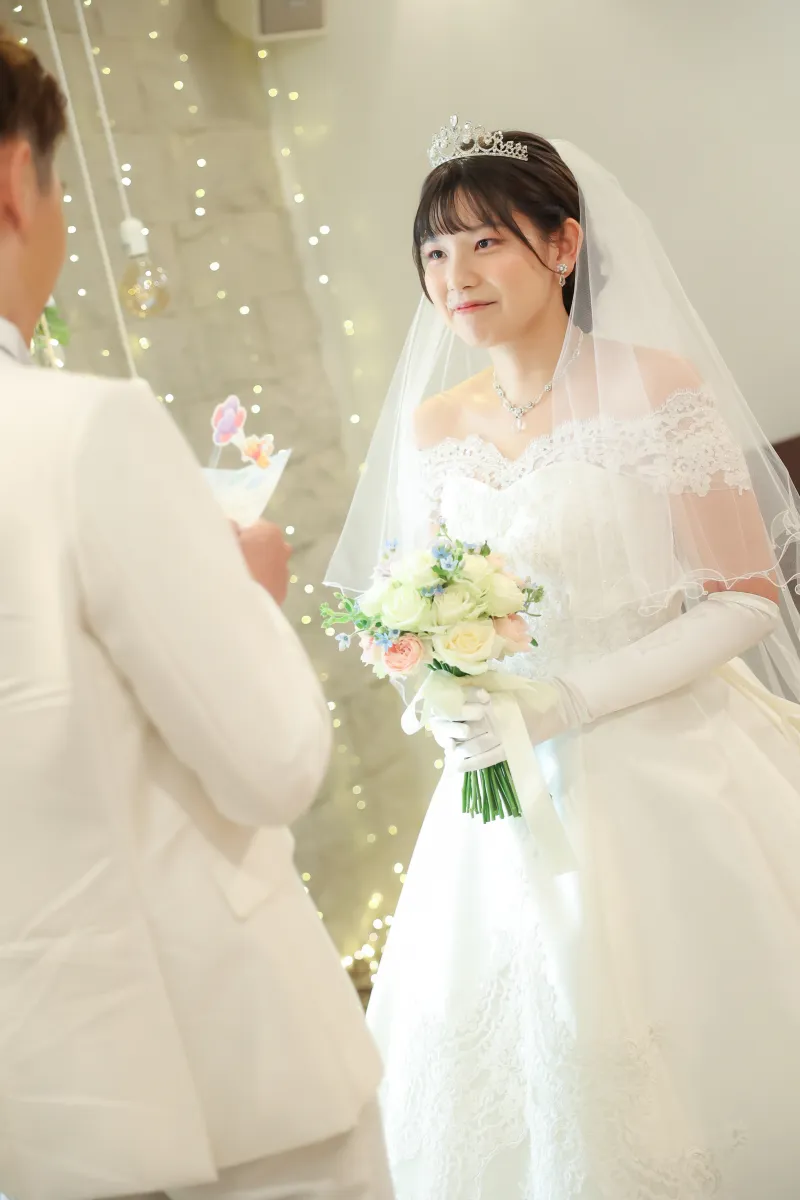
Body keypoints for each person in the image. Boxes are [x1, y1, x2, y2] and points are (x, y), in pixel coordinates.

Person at [326, 116, 800, 1199]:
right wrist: (434, 694)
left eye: (485, 241)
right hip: (503, 786)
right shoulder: (435, 426)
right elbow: (417, 605)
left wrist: (571, 699)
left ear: (563, 245)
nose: (454, 275)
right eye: (434, 250)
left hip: (668, 763)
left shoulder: (654, 388)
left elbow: (745, 598)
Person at [0, 31, 392, 1200]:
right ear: (14, 182)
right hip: (218, 1079)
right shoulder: (79, 430)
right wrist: (248, 597)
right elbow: (272, 763)